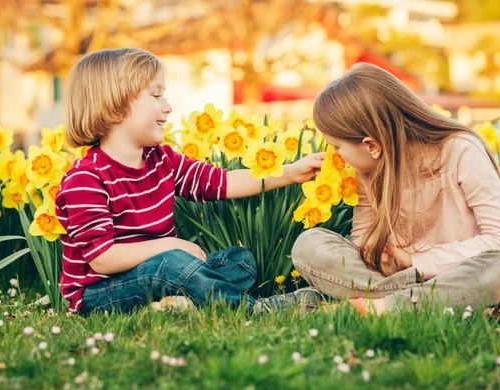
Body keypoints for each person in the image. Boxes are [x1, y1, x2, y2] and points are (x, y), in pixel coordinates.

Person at [55, 48, 323, 314]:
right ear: (113, 108)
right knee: (174, 265)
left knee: (238, 261)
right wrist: (172, 246)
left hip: (161, 272)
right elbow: (103, 259)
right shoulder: (85, 179)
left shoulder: (161, 160)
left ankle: (175, 305)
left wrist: (291, 173)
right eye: (156, 96)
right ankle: (255, 310)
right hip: (100, 294)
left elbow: (222, 182)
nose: (168, 107)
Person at [291, 63, 500, 316]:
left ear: (371, 146)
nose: (334, 154)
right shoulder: (367, 172)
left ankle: (372, 306)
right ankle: (410, 303)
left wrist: (414, 260)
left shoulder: (461, 150)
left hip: (460, 273)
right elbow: (362, 239)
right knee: (309, 244)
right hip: (411, 280)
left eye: (336, 146)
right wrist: (374, 249)